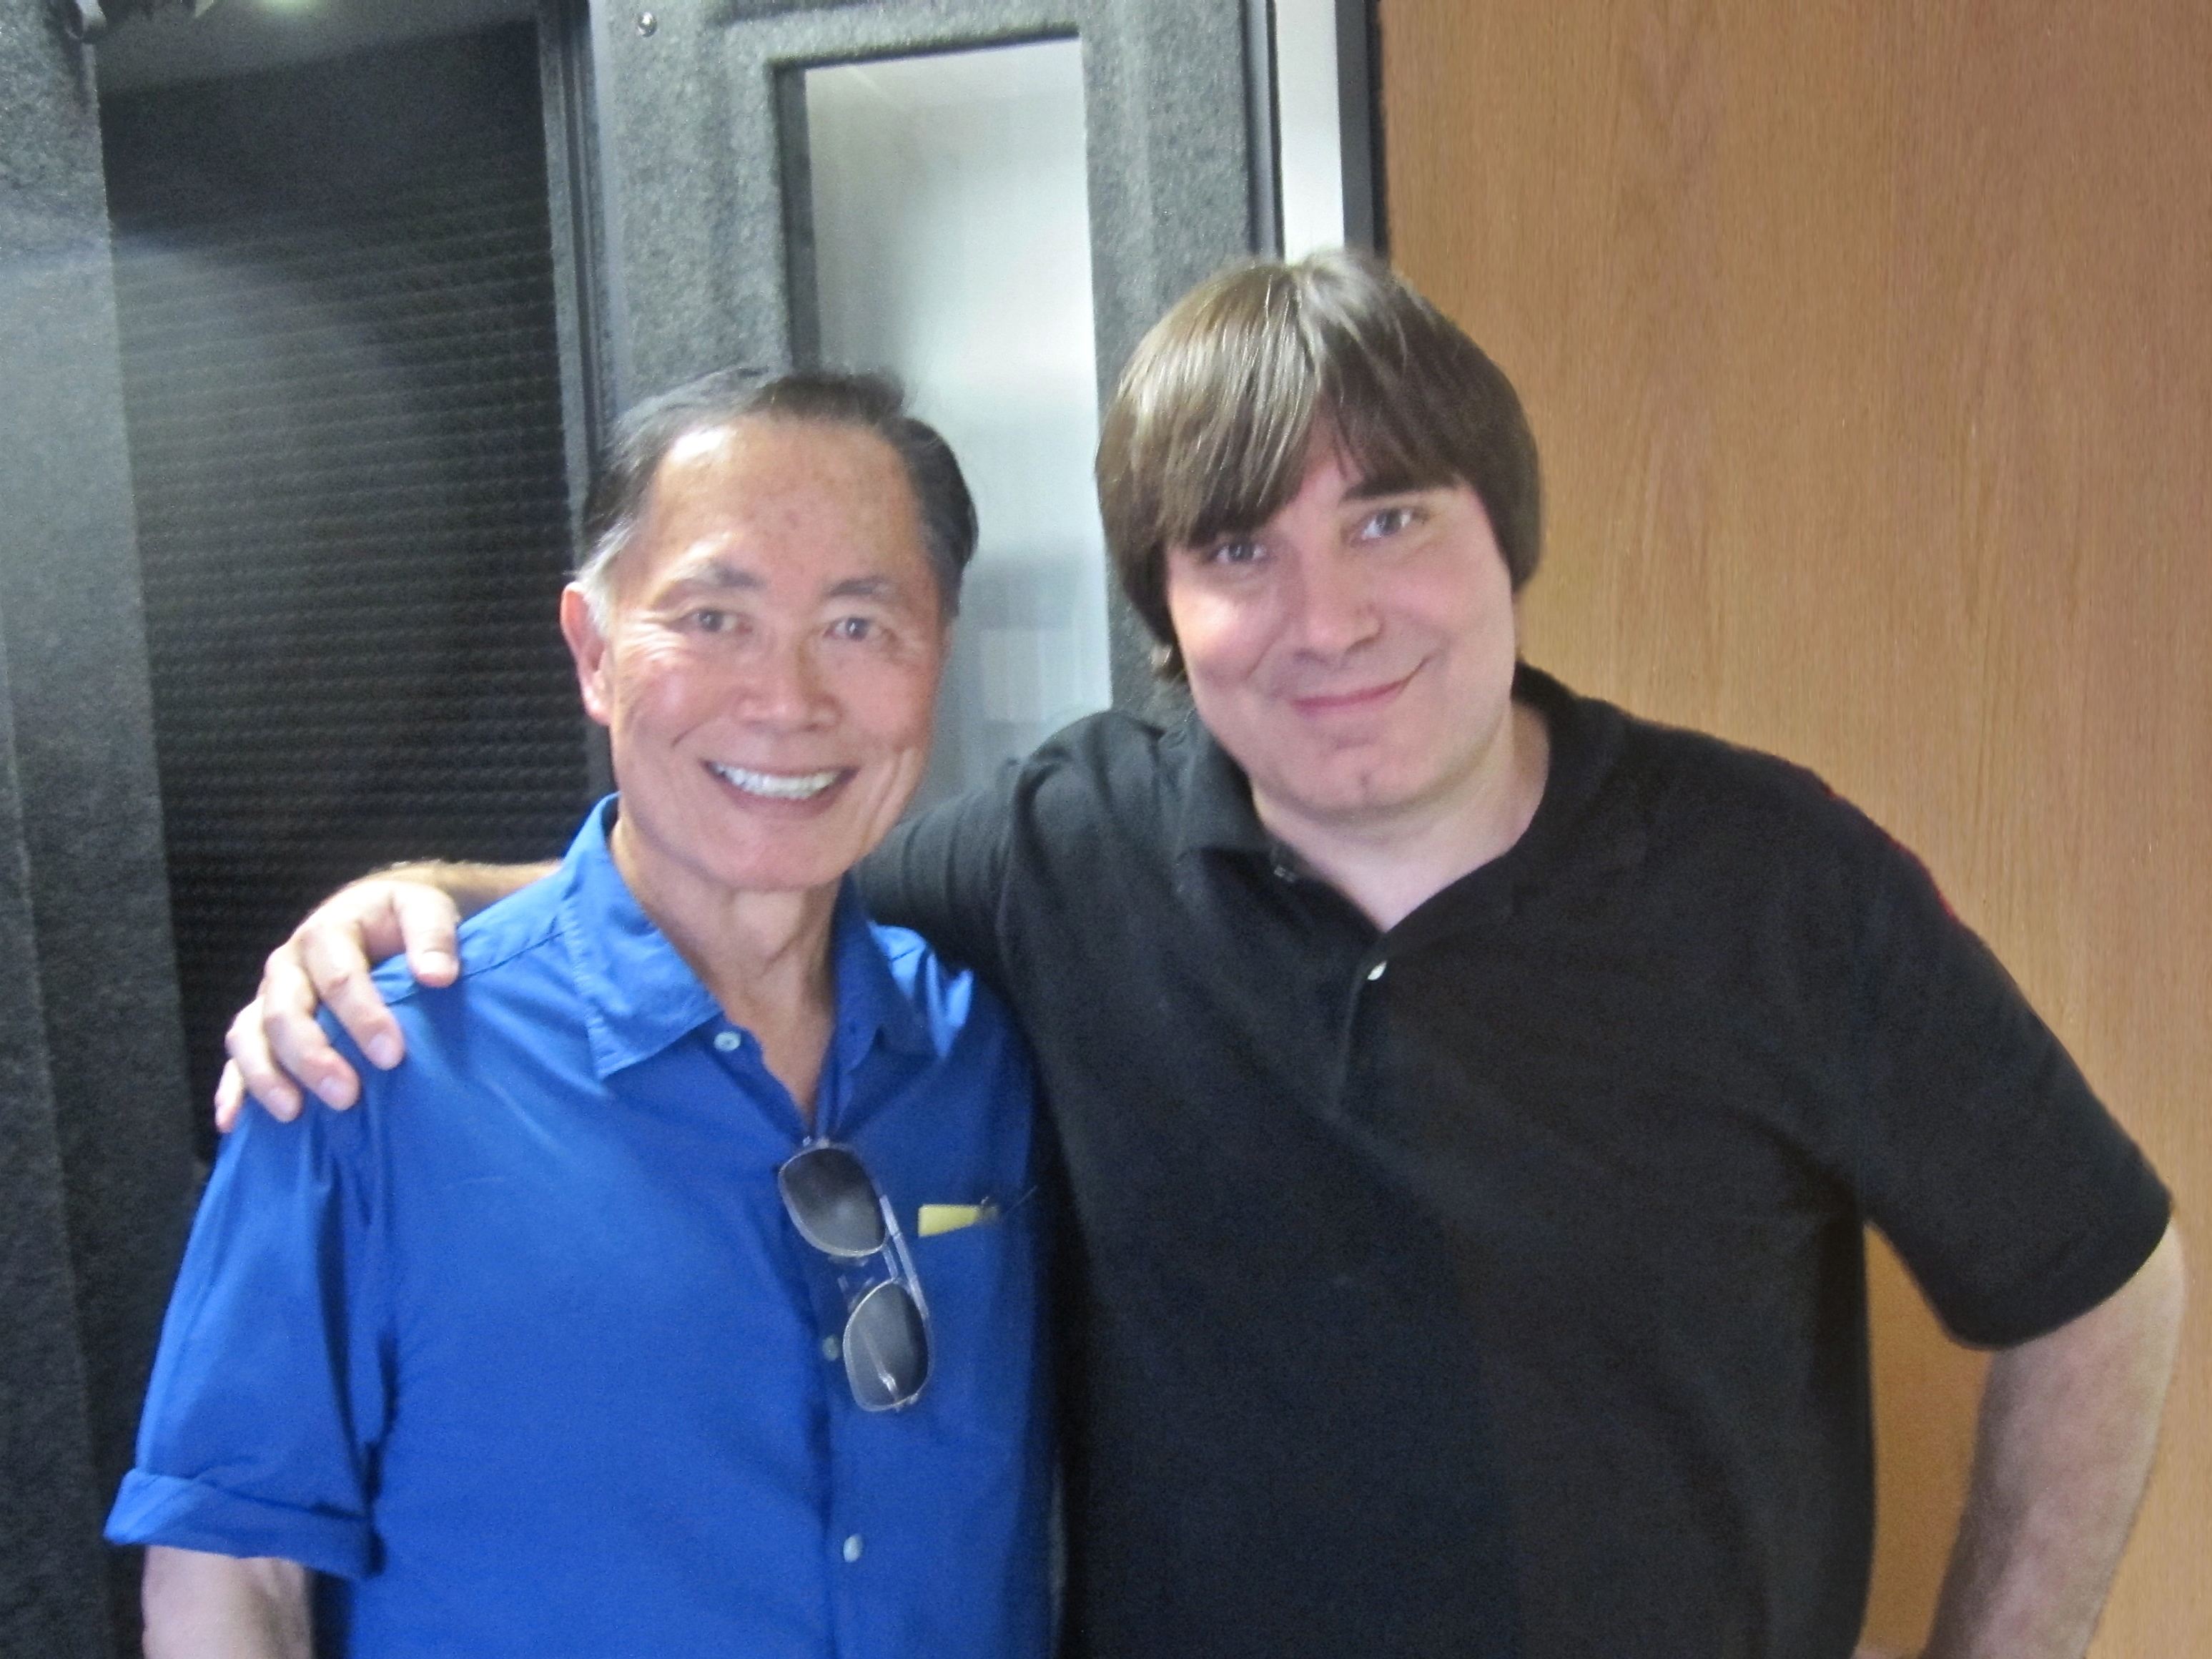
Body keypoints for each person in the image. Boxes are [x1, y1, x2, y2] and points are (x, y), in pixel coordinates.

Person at [217, 251, 2183, 1659]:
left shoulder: (1769, 881)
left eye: (1390, 518)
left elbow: (2095, 1276)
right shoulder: (1062, 857)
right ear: (1166, 609)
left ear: (1502, 532)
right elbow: (739, 864)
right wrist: (423, 897)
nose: (1324, 618)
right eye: (1236, 551)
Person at [108, 371, 1055, 1658]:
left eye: (855, 625)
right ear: (594, 652)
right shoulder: (369, 1073)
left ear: (936, 650)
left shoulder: (980, 1047)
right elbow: (233, 1585)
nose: (784, 701)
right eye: (712, 617)